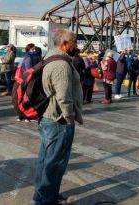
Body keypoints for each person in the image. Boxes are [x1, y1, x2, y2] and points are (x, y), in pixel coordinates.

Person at [32, 29, 83, 205]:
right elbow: (63, 96)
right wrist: (69, 117)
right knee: (55, 163)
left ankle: (42, 195)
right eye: (74, 42)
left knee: (45, 160)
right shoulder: (61, 64)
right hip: (58, 120)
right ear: (64, 44)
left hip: (47, 118)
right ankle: (46, 200)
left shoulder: (49, 58)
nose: (76, 45)